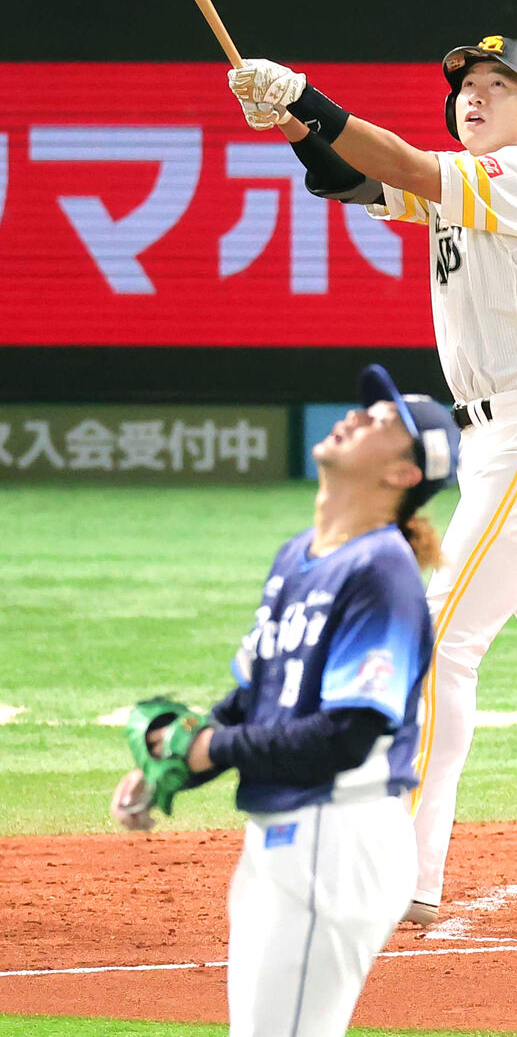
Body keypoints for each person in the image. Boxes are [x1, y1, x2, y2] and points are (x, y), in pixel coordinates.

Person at [224, 36, 517, 927]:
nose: (475, 95)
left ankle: (404, 870)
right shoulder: (459, 185)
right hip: (502, 445)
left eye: (498, 85)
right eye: (468, 84)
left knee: (437, 641)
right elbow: (354, 181)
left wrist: (306, 95)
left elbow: (398, 162)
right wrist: (290, 124)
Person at [110, 364, 460, 1037]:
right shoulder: (297, 556)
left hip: (338, 836)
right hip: (284, 833)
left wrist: (211, 747)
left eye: (383, 421)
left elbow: (345, 735)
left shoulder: (381, 572)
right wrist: (175, 765)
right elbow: (255, 697)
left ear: (404, 473)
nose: (357, 417)